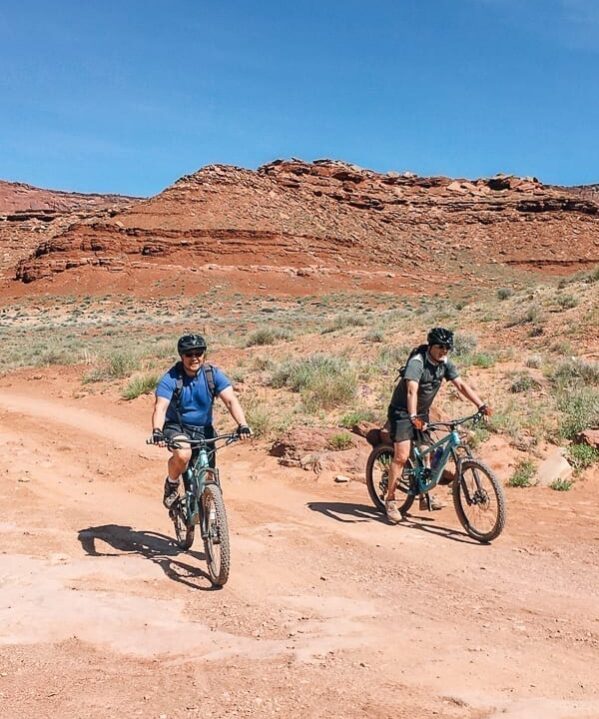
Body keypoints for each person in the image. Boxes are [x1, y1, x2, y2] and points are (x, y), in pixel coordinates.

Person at [384, 327, 492, 524]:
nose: (444, 351)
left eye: (447, 348)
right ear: (431, 346)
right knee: (401, 456)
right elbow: (411, 392)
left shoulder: (445, 363)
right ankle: (390, 500)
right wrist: (413, 416)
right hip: (402, 411)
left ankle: (424, 496)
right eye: (440, 347)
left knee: (427, 453)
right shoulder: (417, 363)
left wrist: (481, 404)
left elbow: (461, 385)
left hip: (420, 412)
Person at [150, 333, 251, 509]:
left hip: (204, 429)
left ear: (204, 354)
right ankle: (172, 483)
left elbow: (230, 401)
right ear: (181, 356)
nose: (194, 358)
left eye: (199, 353)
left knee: (209, 476)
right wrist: (157, 431)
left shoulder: (213, 375)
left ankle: (213, 525)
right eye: (189, 354)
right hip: (177, 427)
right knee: (183, 454)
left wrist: (243, 425)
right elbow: (161, 407)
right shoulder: (171, 378)